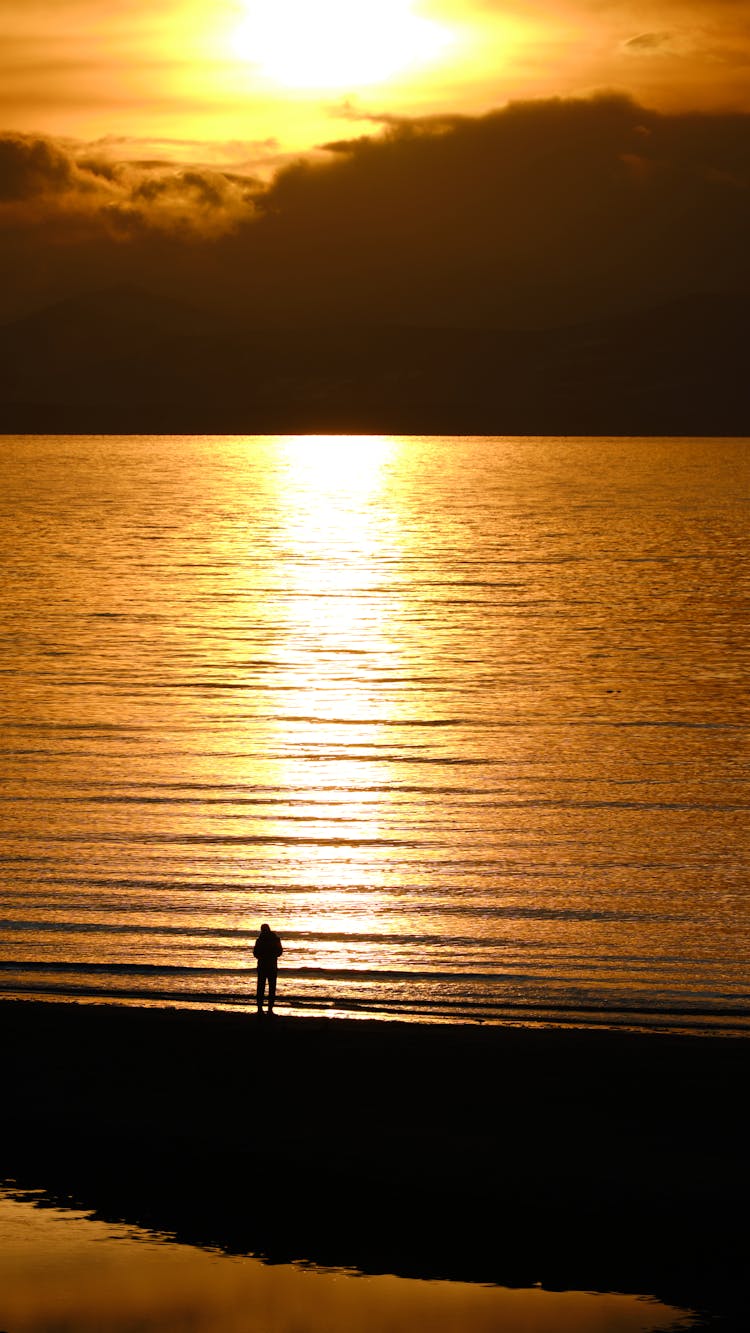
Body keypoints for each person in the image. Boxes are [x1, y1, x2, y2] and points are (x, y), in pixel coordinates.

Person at [253, 923, 283, 1014]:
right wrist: (272, 955)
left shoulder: (260, 940)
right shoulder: (275, 939)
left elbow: (255, 953)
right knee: (271, 988)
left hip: (263, 966)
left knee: (261, 987)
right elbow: (279, 952)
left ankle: (260, 1008)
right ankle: (269, 1009)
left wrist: (262, 956)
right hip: (272, 966)